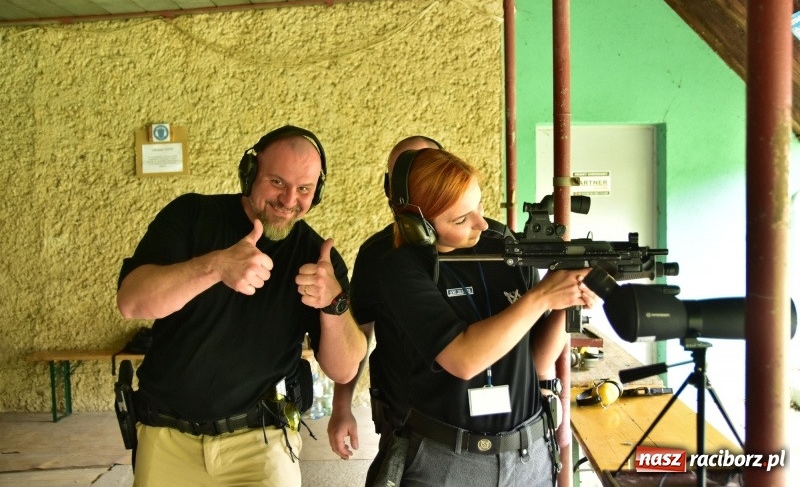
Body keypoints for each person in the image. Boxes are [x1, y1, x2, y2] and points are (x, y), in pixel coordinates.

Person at [116, 125, 367, 487]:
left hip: (261, 443)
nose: (288, 200)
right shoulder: (191, 215)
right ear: (249, 173)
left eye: (304, 189)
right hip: (167, 437)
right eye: (277, 182)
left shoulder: (318, 260)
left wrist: (334, 303)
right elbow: (132, 301)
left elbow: (344, 370)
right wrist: (215, 266)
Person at [374, 148, 598, 487]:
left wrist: (567, 299)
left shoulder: (501, 248)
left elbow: (536, 358)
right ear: (418, 226)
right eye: (460, 219)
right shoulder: (401, 270)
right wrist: (541, 297)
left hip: (528, 453)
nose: (481, 222)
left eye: (478, 206)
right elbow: (462, 358)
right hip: (448, 461)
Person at [326, 137, 537, 486]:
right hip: (416, 426)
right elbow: (359, 336)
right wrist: (341, 406)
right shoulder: (383, 257)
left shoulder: (500, 242)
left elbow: (531, 341)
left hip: (511, 438)